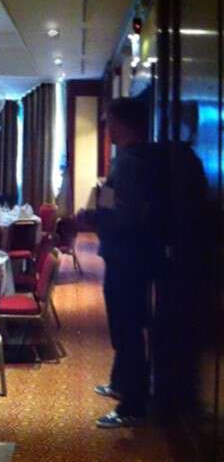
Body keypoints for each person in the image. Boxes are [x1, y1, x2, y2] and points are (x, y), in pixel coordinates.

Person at [86, 97, 172, 428]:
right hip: (131, 255)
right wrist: (97, 213)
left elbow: (125, 216)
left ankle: (132, 406)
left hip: (127, 257)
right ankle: (121, 383)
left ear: (121, 123)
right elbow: (112, 202)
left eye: (109, 121)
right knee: (125, 325)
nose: (106, 127)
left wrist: (93, 218)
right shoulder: (128, 159)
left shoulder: (131, 163)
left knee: (127, 328)